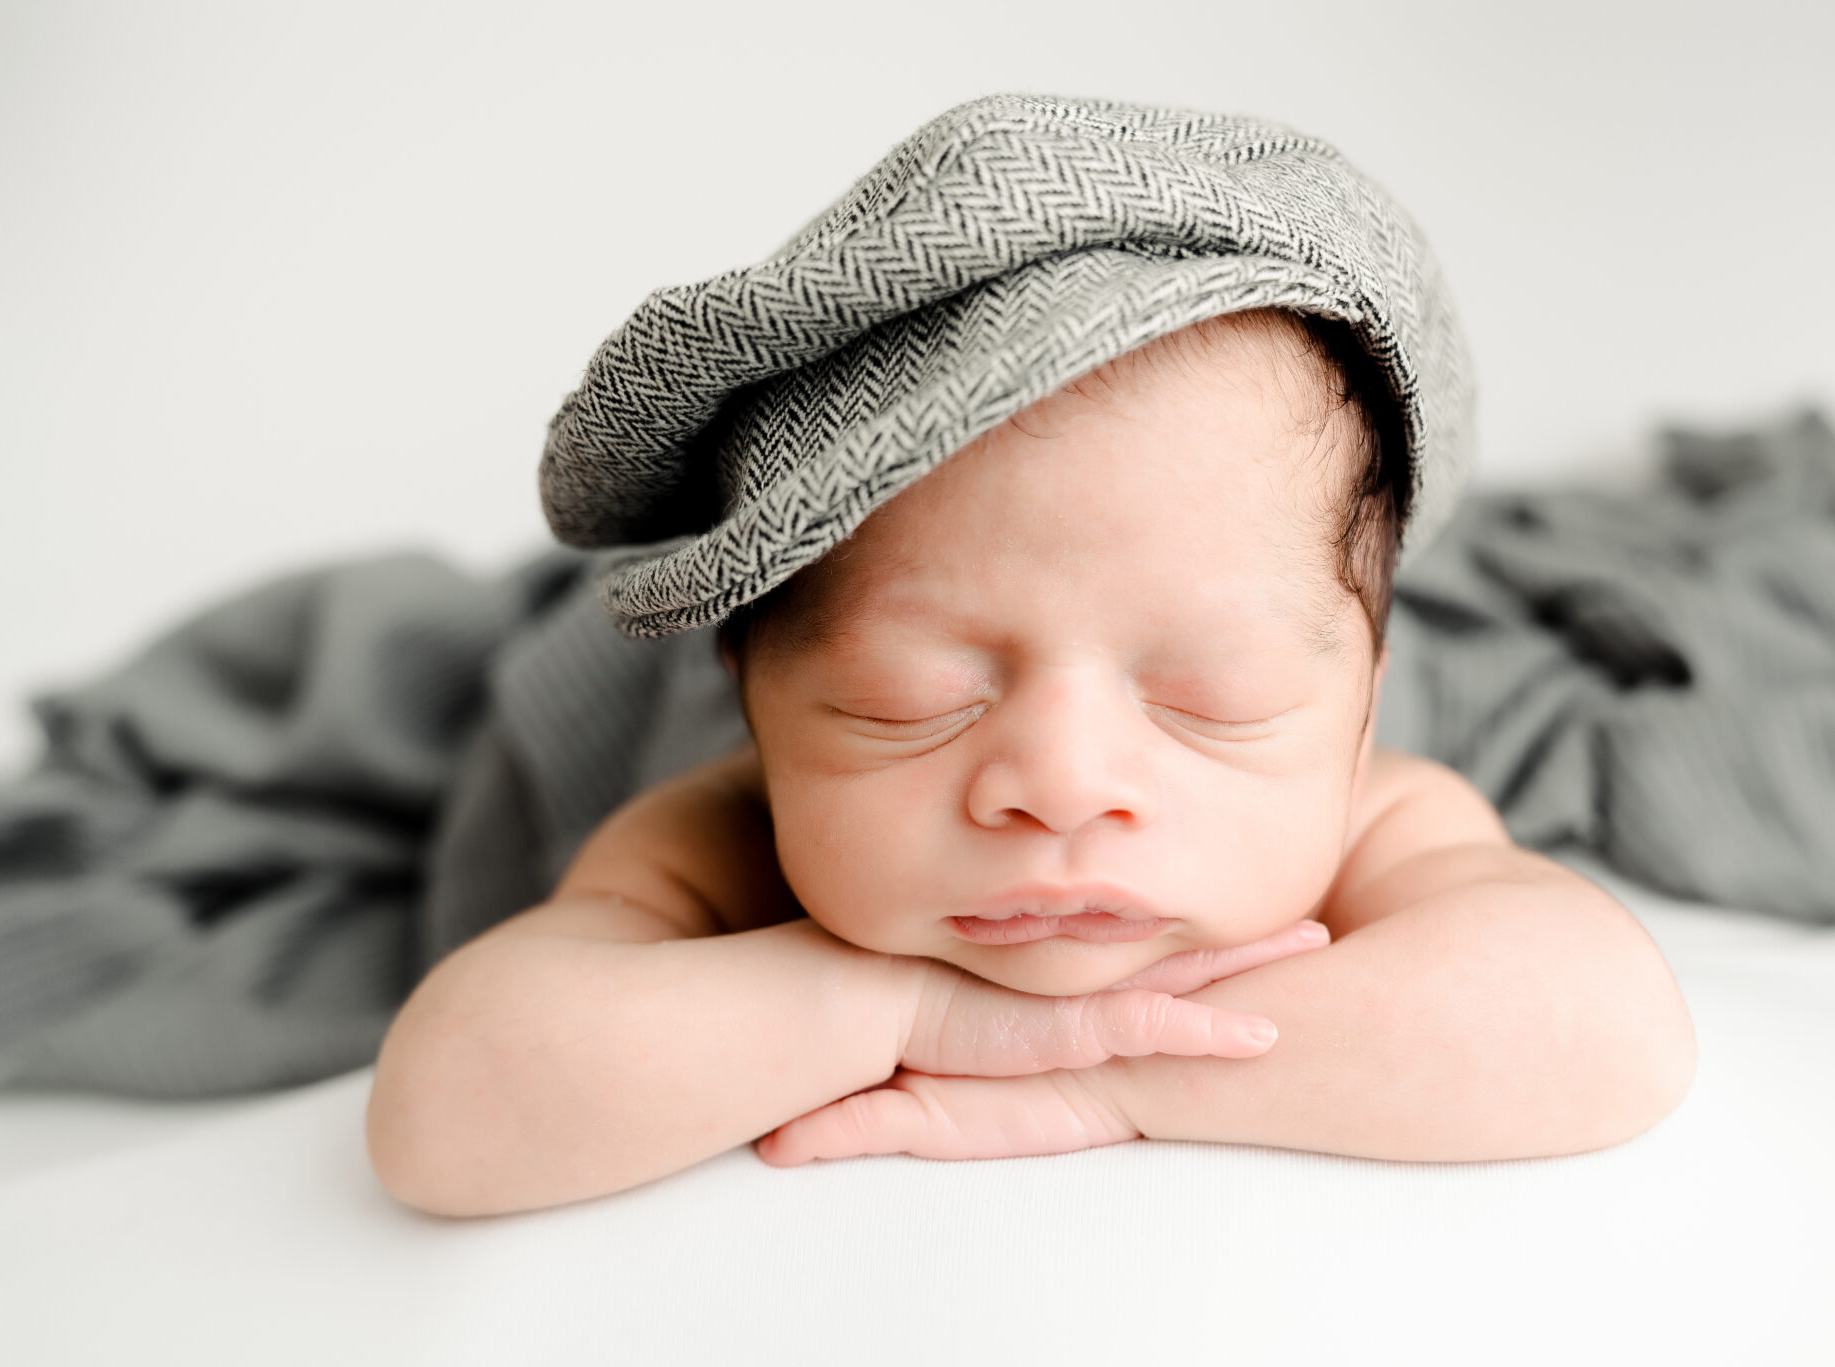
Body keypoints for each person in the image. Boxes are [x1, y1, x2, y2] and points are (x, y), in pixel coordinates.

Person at [363, 95, 1696, 1218]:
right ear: (756, 709)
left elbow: (1606, 1030)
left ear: (1360, 713)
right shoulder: (718, 834)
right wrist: (912, 1019)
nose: (1062, 787)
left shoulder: (1376, 813)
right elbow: (445, 1113)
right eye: (912, 699)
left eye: (1213, 697)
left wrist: (1107, 1071)